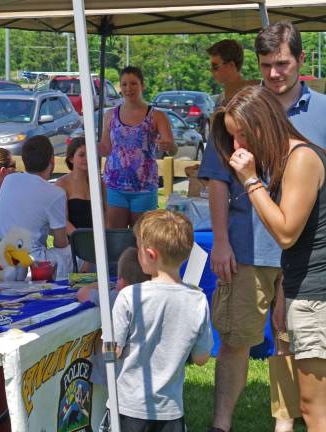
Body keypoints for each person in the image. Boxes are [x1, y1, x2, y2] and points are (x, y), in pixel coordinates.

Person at [200, 22, 326, 432]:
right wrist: (220, 240)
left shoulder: (319, 116)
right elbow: (217, 178)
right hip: (248, 245)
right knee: (237, 338)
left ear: (301, 61)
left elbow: (293, 225)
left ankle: (284, 423)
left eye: (283, 63)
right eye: (267, 64)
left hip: (304, 258)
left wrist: (253, 179)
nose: (275, 73)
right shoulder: (240, 109)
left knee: (294, 341)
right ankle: (222, 424)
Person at [99, 209, 212, 432]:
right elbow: (201, 358)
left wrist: (104, 340)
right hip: (170, 410)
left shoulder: (129, 296)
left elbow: (113, 352)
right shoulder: (198, 300)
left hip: (128, 407)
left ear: (150, 254)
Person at [99, 66, 175, 229]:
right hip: (114, 185)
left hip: (144, 186)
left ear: (142, 85)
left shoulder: (157, 115)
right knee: (115, 237)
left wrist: (168, 145)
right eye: (124, 84)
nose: (128, 88)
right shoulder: (110, 115)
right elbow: (105, 148)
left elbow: (173, 148)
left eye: (133, 83)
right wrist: (87, 146)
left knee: (141, 237)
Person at [0, 135, 71, 279]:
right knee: (77, 254)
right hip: (28, 262)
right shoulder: (56, 194)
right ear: (51, 160)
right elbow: (60, 242)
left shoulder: (9, 180)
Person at [76, 246, 150, 304]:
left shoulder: (118, 298)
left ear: (122, 283)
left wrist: (94, 285)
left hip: (101, 277)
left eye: (118, 280)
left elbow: (81, 293)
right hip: (105, 277)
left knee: (76, 281)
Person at [56, 137, 94, 234]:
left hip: (99, 241)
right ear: (71, 158)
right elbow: (62, 219)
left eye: (89, 154)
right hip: (74, 242)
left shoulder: (99, 184)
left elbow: (106, 215)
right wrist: (80, 239)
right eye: (81, 155)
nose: (86, 158)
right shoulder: (62, 183)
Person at [206, 39, 259, 107]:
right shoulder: (221, 98)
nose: (211, 70)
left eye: (215, 66)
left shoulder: (250, 98)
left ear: (231, 65)